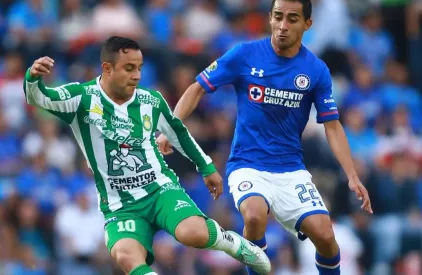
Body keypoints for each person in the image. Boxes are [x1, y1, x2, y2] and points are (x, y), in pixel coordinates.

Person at [156, 1, 373, 274]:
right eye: (278, 17)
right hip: (247, 164)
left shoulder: (316, 70)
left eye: (292, 19)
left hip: (291, 170)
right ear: (270, 18)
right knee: (255, 215)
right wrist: (170, 129)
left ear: (308, 24)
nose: (283, 26)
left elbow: (332, 125)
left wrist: (352, 175)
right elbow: (197, 88)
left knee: (327, 237)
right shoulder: (244, 54)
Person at [23, 36, 270, 275]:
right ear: (107, 68)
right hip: (121, 205)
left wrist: (206, 167)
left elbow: (178, 133)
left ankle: (235, 244)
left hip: (159, 190)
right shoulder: (81, 97)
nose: (137, 75)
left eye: (140, 68)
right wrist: (33, 78)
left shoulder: (150, 100)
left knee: (192, 233)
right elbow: (39, 97)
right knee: (125, 255)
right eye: (129, 68)